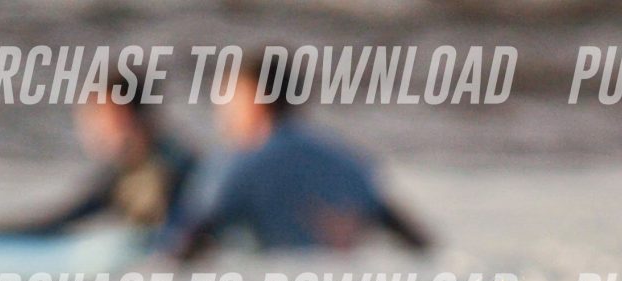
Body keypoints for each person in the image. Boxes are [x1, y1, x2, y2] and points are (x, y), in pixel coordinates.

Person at [158, 77, 430, 259]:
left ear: (255, 100)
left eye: (229, 98)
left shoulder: (238, 165)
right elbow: (409, 234)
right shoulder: (345, 158)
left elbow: (192, 237)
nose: (222, 111)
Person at [0, 87, 195, 239]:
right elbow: (62, 218)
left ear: (129, 117)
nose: (92, 130)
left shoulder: (171, 168)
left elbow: (60, 221)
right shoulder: (130, 171)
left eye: (101, 118)